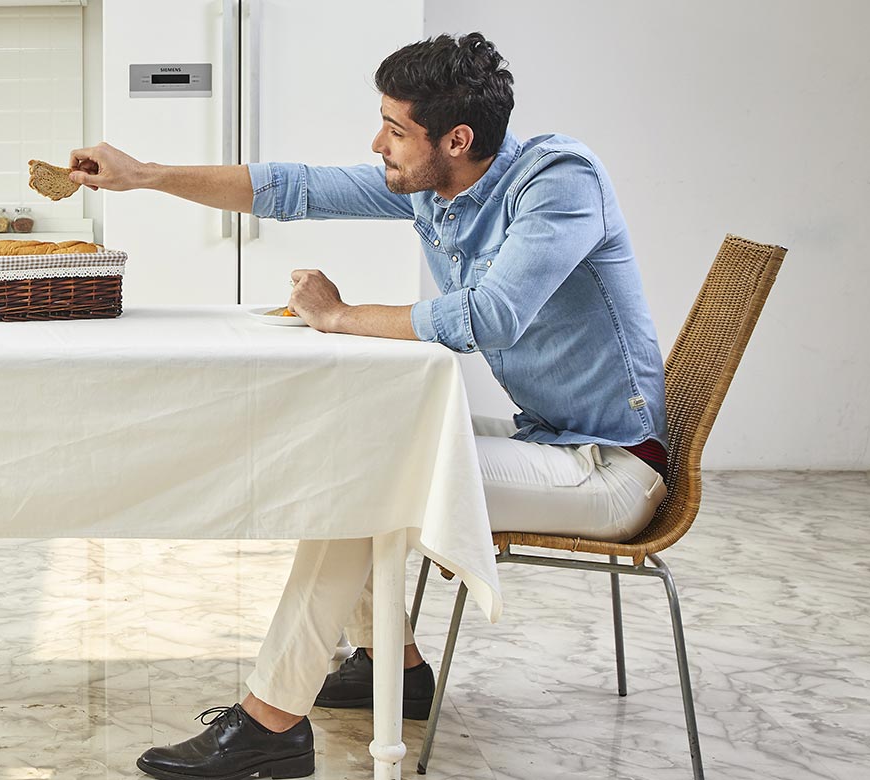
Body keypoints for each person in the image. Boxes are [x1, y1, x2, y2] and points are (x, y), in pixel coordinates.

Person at [69, 33, 670, 780]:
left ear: (456, 138)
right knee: (349, 445)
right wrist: (143, 175)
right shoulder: (432, 185)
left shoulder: (558, 182)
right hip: (545, 439)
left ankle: (269, 724)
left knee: (369, 472)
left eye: (394, 128)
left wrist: (339, 315)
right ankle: (400, 667)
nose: (376, 141)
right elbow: (292, 187)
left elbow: (489, 317)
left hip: (609, 469)